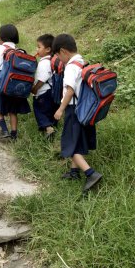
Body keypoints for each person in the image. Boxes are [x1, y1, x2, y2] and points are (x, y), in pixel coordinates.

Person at [53, 34, 102, 193]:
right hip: (84, 109)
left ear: (63, 51)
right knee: (77, 142)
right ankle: (74, 173)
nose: (59, 60)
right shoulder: (82, 61)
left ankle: (91, 173)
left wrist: (60, 109)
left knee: (69, 145)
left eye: (58, 57)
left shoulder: (70, 66)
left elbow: (70, 90)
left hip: (73, 109)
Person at [32, 34, 57, 139]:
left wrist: (34, 89)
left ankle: (48, 128)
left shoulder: (44, 63)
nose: (37, 49)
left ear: (48, 49)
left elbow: (42, 79)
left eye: (39, 47)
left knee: (39, 111)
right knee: (49, 111)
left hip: (43, 93)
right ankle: (51, 127)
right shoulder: (52, 60)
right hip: (51, 91)